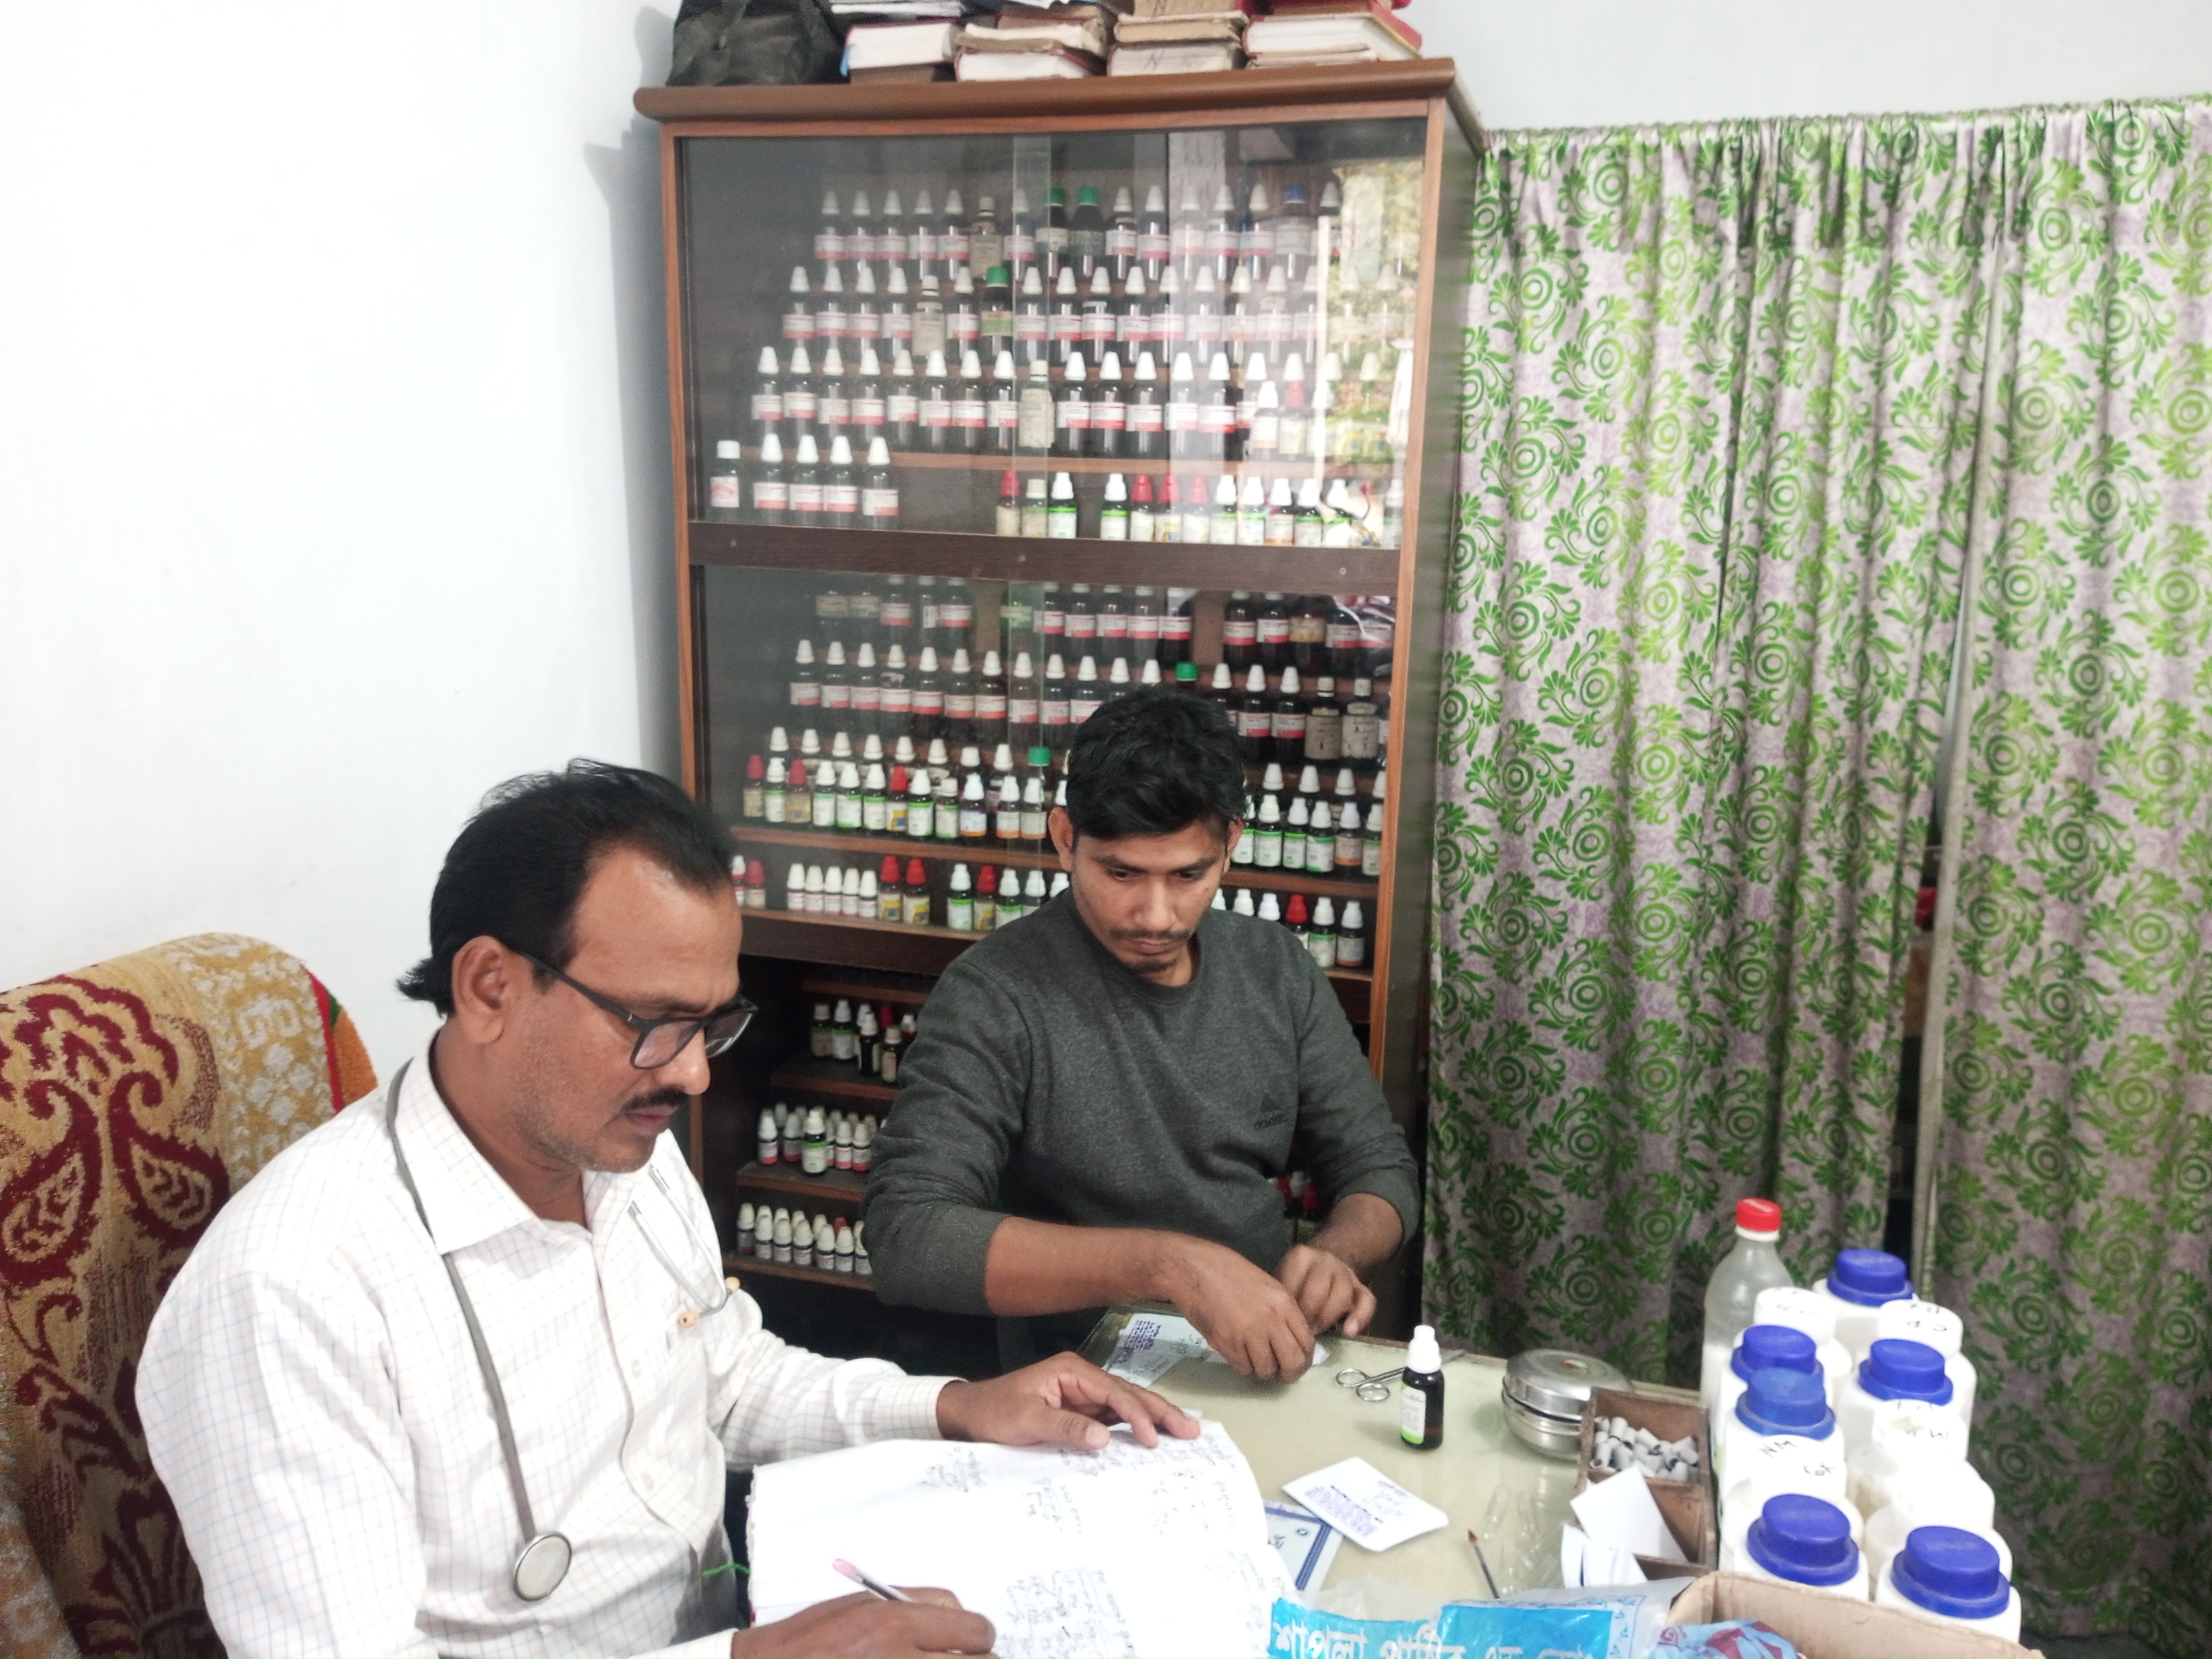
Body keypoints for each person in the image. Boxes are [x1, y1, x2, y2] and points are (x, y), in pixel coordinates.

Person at [139, 761, 1192, 1659]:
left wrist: (957, 1407)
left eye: (712, 1024)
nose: (692, 1075)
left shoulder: (612, 1146)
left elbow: (725, 1380)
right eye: (654, 1022)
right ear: (490, 986)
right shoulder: (290, 1297)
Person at [863, 688, 1417, 1380]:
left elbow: (1379, 1169)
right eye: (1121, 873)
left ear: (1230, 844)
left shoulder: (1276, 967)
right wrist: (1170, 1267)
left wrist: (1338, 1255)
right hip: (1086, 1384)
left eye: (1188, 874)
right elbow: (908, 1238)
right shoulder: (995, 993)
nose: (1156, 915)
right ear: (1065, 838)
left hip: (1262, 1362)